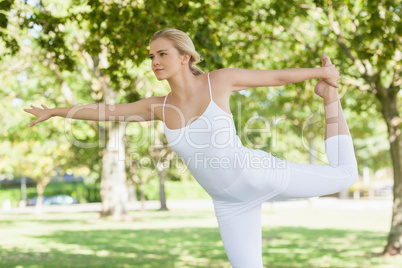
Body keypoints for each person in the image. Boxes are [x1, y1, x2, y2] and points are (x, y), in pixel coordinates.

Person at [25, 28, 358, 267]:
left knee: (345, 175)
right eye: (152, 56)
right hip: (229, 204)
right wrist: (55, 111)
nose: (155, 61)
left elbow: (276, 78)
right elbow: (107, 113)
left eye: (162, 54)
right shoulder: (158, 105)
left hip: (260, 175)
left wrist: (323, 73)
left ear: (185, 57)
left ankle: (330, 98)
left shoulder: (218, 82)